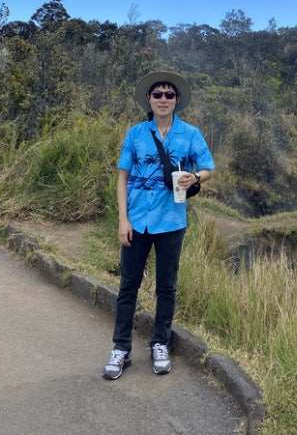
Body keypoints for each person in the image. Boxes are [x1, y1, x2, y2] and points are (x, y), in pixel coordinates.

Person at [103, 70, 214, 379]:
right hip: (137, 220)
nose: (163, 99)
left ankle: (160, 343)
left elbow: (208, 167)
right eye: (157, 95)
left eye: (169, 95)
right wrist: (123, 219)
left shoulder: (190, 133)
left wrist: (196, 177)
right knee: (128, 286)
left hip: (171, 220)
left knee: (167, 286)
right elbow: (122, 177)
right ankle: (121, 348)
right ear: (149, 100)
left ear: (176, 100)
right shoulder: (135, 133)